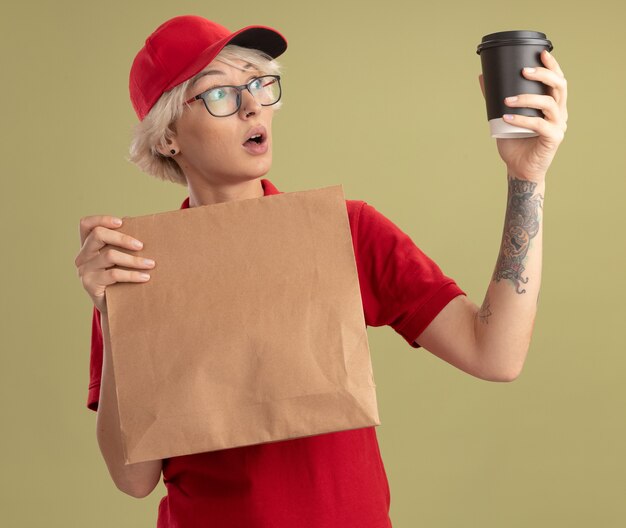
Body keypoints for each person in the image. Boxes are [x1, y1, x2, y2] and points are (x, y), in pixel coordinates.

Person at [73, 14, 568, 528]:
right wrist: (116, 314)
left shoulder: (346, 231)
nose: (251, 106)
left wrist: (526, 178)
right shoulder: (134, 268)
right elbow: (133, 479)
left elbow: (496, 353)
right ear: (167, 136)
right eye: (220, 94)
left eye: (259, 83)